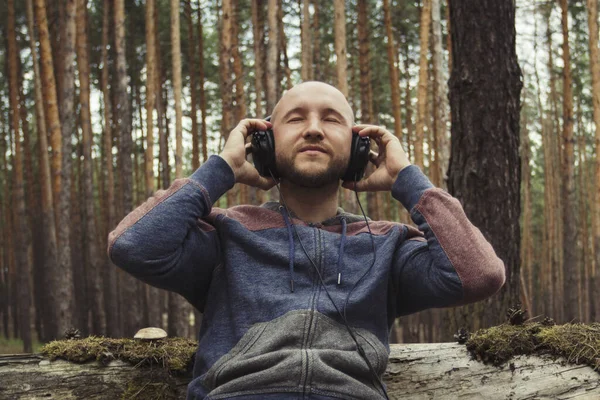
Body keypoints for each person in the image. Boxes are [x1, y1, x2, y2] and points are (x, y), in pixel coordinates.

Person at [108, 81, 505, 400]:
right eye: (295, 119)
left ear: (358, 148)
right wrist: (222, 168)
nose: (313, 128)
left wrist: (407, 179)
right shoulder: (226, 235)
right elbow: (133, 245)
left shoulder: (388, 246)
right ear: (263, 144)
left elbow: (479, 273)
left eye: (331, 120)